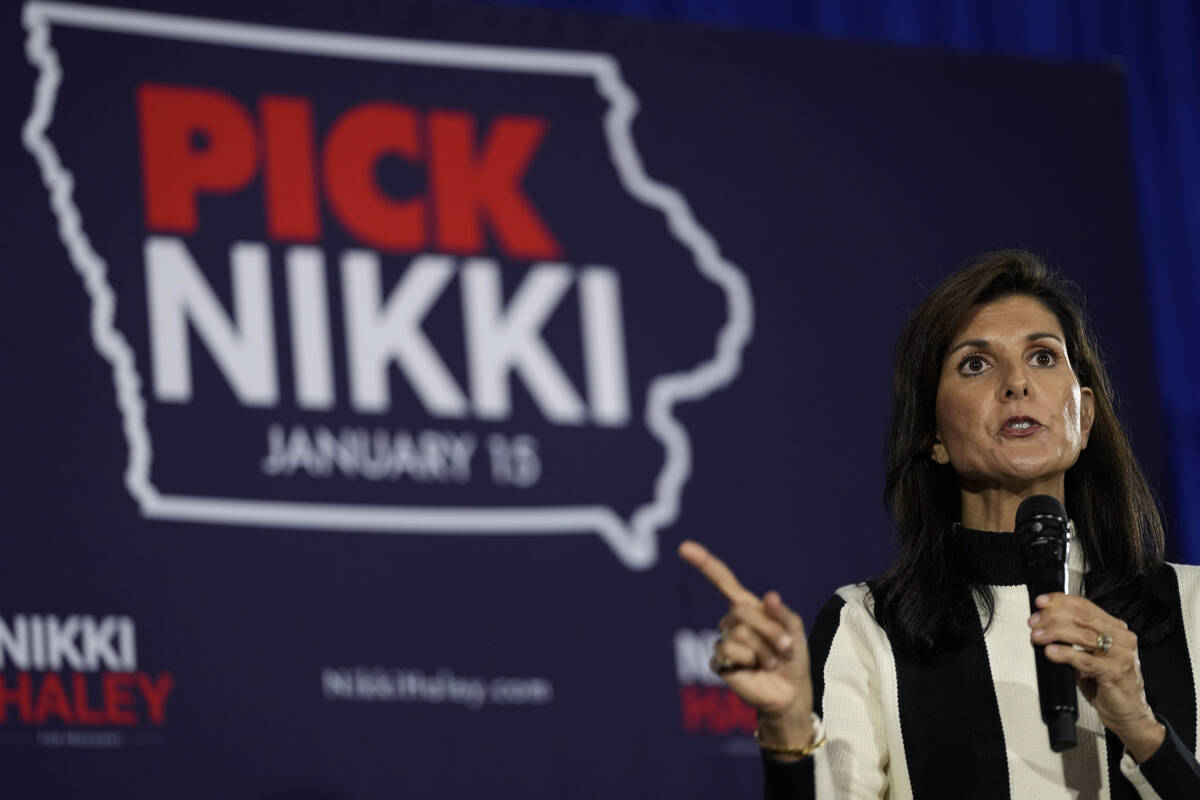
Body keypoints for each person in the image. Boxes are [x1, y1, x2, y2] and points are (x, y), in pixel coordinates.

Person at [680, 250, 1200, 799]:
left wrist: (1142, 728)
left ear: (1085, 415)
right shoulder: (869, 627)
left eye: (1044, 357)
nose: (1017, 383)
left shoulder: (1189, 605)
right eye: (976, 364)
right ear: (931, 435)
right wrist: (787, 728)